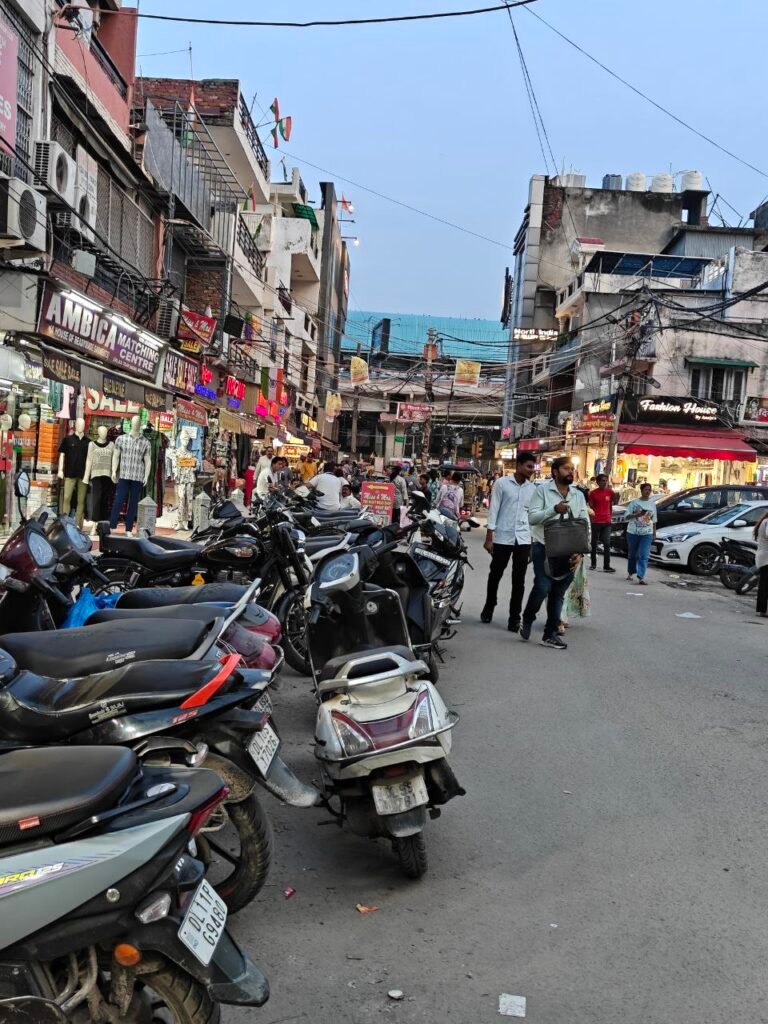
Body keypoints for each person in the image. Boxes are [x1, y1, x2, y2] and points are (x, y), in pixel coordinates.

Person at [521, 456, 590, 650]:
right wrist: (554, 509)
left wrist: (582, 550)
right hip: (543, 546)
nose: (571, 472)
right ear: (555, 471)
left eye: (572, 469)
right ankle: (527, 617)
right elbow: (533, 518)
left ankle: (549, 634)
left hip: (569, 550)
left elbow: (585, 524)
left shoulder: (577, 495)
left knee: (558, 592)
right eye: (566, 468)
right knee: (543, 587)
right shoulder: (542, 491)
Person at [480, 451, 536, 631]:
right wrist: (490, 537)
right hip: (503, 537)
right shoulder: (502, 484)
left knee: (519, 580)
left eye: (532, 467)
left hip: (523, 539)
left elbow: (533, 517)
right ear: (518, 465)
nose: (531, 470)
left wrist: (532, 544)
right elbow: (494, 510)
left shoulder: (532, 489)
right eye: (528, 466)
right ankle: (489, 607)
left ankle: (514, 618)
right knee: (495, 574)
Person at [625, 482, 657, 584]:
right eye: (646, 489)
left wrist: (654, 533)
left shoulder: (652, 504)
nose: (647, 491)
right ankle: (631, 571)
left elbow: (654, 520)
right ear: (641, 490)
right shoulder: (634, 503)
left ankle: (641, 576)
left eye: (649, 490)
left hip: (647, 533)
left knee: (643, 555)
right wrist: (638, 514)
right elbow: (626, 517)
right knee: (633, 554)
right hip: (633, 532)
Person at [587, 473, 616, 573]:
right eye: (602, 480)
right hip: (596, 521)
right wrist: (591, 518)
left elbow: (610, 505)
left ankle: (606, 565)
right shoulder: (593, 493)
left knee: (607, 543)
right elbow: (590, 507)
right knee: (594, 543)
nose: (604, 482)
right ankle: (593, 564)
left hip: (607, 521)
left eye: (605, 480)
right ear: (598, 482)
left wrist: (610, 516)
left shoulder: (610, 492)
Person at [754, 509, 768, 617]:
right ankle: (762, 610)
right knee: (764, 585)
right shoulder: (767, 522)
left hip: (763, 557)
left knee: (764, 584)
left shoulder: (764, 521)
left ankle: (762, 609)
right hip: (766, 558)